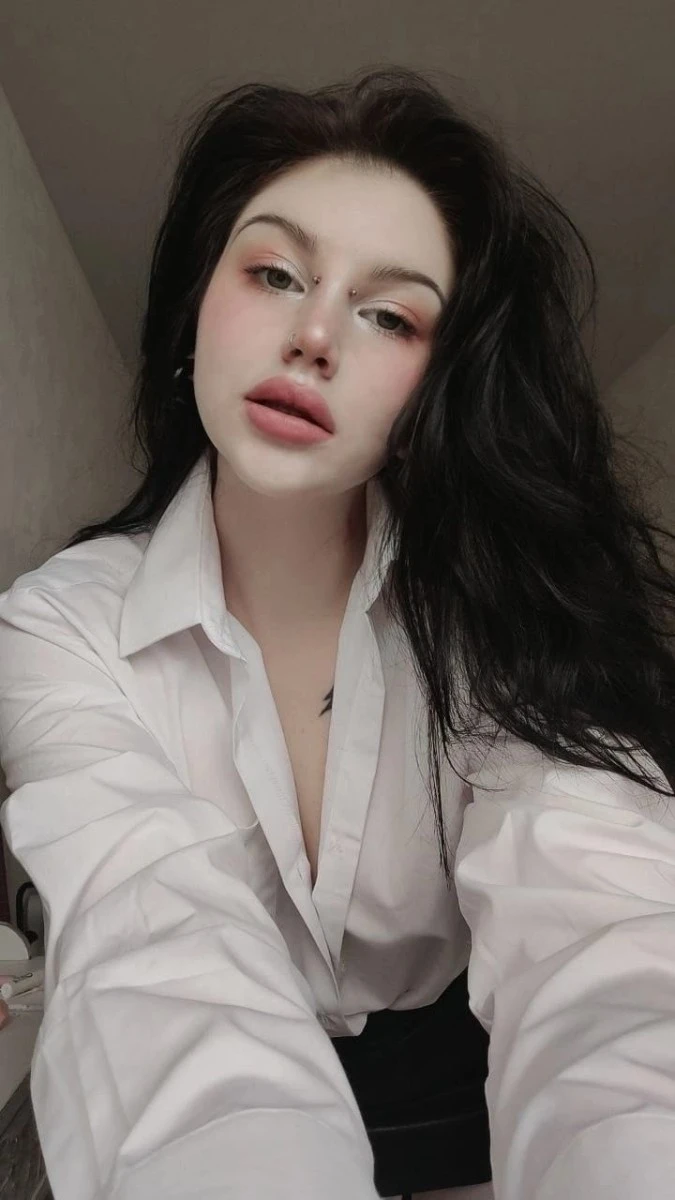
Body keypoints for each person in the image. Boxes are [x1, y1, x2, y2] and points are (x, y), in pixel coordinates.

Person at [1, 64, 674, 1200]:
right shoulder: (58, 623)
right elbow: (146, 932)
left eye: (389, 315)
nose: (314, 335)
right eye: (274, 273)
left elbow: (606, 929)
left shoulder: (505, 609)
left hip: (476, 1086)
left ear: (434, 396)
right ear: (193, 310)